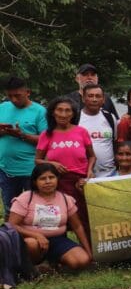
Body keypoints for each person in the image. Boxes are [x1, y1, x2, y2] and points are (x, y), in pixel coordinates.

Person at [8, 163, 92, 270]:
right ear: (35, 182)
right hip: (31, 240)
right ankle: (33, 267)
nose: (48, 181)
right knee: (32, 244)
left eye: (51, 177)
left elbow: (77, 227)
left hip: (57, 240)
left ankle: (54, 261)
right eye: (42, 178)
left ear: (57, 179)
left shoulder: (66, 199)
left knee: (81, 261)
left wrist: (88, 252)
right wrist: (37, 236)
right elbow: (12, 225)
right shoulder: (26, 198)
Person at [35, 97, 95, 239]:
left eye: (68, 110)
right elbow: (37, 160)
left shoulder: (81, 132)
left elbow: (92, 156)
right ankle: (58, 254)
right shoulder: (46, 134)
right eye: (59, 110)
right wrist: (52, 164)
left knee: (84, 219)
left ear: (73, 114)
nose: (63, 114)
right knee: (56, 220)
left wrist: (90, 171)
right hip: (56, 184)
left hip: (79, 184)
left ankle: (91, 255)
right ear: (53, 113)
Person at [0, 77, 48, 217]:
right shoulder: (3, 108)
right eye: (10, 96)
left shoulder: (40, 111)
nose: (14, 100)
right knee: (10, 210)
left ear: (28, 92)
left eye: (17, 96)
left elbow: (46, 141)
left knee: (34, 211)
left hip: (31, 171)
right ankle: (11, 238)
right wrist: (4, 131)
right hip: (6, 170)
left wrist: (22, 135)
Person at [76, 84, 117, 178]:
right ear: (83, 99)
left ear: (103, 100)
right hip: (83, 174)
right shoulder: (75, 119)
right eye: (90, 96)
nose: (94, 99)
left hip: (109, 173)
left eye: (98, 96)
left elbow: (115, 142)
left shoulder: (110, 117)